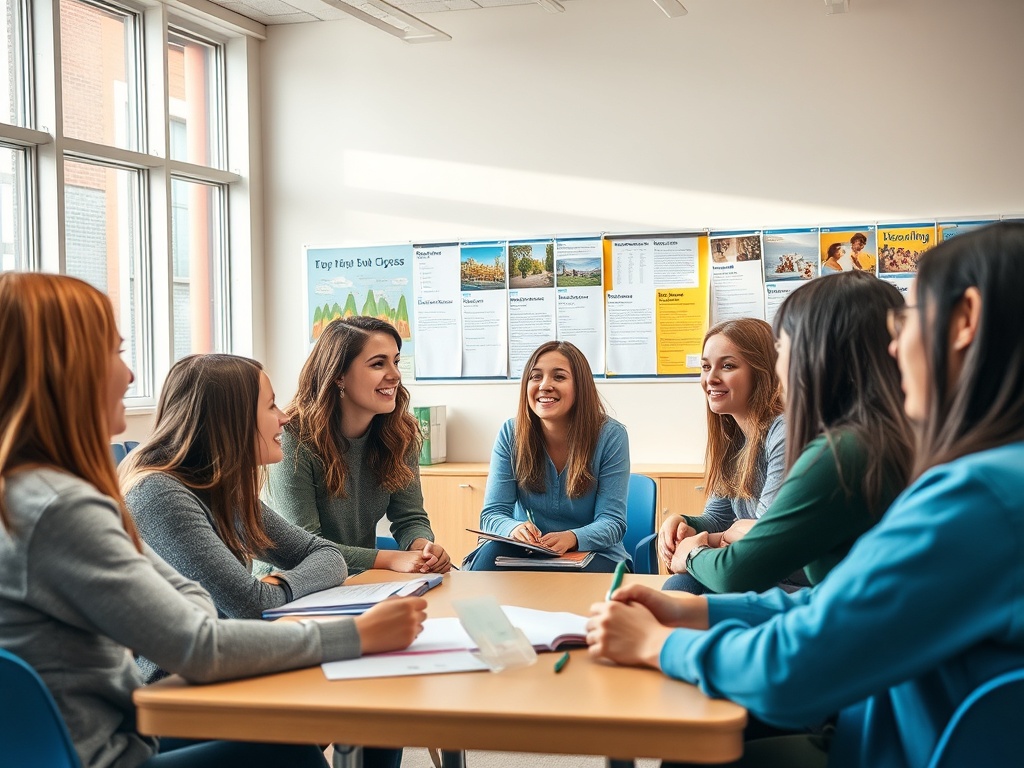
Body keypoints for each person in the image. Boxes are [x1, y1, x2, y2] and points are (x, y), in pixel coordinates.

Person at [586, 222, 1024, 768]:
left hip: (887, 745)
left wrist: (658, 644)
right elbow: (836, 603)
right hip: (895, 722)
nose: (895, 346)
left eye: (909, 318)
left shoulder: (975, 496)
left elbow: (793, 669)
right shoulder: (992, 477)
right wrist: (692, 610)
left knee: (693, 747)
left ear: (965, 320)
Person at [0, 273, 426, 768]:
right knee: (293, 746)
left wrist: (259, 593)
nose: (130, 375)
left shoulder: (45, 493)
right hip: (117, 745)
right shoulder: (67, 507)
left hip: (123, 729)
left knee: (321, 722)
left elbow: (205, 605)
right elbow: (203, 639)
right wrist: (358, 635)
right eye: (114, 352)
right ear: (63, 369)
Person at [665, 272, 912, 595]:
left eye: (784, 348)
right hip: (832, 604)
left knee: (681, 592)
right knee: (682, 594)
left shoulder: (839, 451)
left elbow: (748, 559)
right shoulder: (876, 436)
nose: (780, 365)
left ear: (820, 354)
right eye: (705, 366)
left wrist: (694, 552)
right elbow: (737, 531)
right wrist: (693, 527)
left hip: (822, 602)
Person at [121, 356, 346, 669]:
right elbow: (252, 606)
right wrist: (271, 591)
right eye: (271, 406)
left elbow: (330, 556)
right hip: (175, 681)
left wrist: (276, 584)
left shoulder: (222, 488)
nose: (284, 418)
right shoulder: (159, 494)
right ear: (230, 419)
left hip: (228, 660)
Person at [266, 316, 451, 575]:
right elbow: (304, 548)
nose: (395, 375)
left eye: (396, 362)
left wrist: (422, 548)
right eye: (378, 364)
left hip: (357, 580)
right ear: (339, 376)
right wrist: (389, 559)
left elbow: (409, 517)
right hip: (289, 581)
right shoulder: (292, 439)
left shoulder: (400, 433)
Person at [464, 340, 629, 573]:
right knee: (488, 557)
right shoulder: (511, 433)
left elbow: (612, 522)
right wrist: (513, 529)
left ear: (580, 386)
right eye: (536, 376)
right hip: (528, 551)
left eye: (559, 377)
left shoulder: (610, 435)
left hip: (593, 553)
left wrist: (572, 537)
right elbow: (493, 514)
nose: (544, 385)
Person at [657, 318, 786, 593]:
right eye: (706, 367)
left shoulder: (784, 432)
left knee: (682, 588)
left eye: (727, 366)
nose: (710, 379)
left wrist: (702, 545)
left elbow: (762, 539)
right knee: (679, 585)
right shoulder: (733, 437)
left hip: (785, 579)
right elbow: (718, 518)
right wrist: (684, 523)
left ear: (761, 372)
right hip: (750, 571)